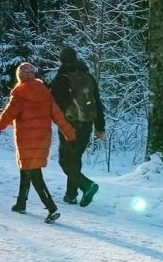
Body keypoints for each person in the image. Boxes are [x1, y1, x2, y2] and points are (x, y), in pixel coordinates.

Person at [0, 62, 76, 224]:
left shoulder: (19, 95)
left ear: (20, 77)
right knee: (26, 169)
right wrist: (70, 134)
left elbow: (5, 118)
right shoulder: (45, 93)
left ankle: (52, 208)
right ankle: (21, 203)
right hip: (42, 140)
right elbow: (58, 116)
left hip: (26, 141)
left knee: (34, 174)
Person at [50, 46, 105, 207]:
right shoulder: (88, 76)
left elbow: (56, 104)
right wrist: (100, 126)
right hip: (87, 124)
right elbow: (98, 102)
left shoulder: (61, 77)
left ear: (61, 59)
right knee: (75, 158)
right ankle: (71, 195)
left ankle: (87, 185)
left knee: (64, 160)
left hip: (69, 124)